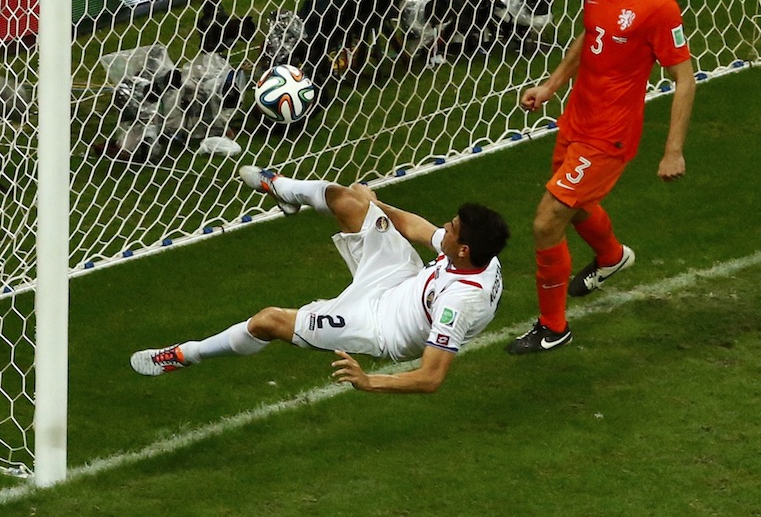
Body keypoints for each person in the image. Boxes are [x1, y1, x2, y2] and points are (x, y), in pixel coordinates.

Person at [131, 166, 509, 393]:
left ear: (464, 250)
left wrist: (369, 381)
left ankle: (183, 355)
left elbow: (430, 377)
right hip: (401, 279)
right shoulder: (474, 254)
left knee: (268, 321)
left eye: (454, 228)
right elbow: (417, 227)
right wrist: (373, 205)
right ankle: (281, 188)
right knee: (346, 200)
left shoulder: (460, 303)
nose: (446, 227)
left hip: (378, 326)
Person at [506, 0, 696, 355]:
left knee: (547, 221)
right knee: (577, 203)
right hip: (576, 118)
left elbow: (684, 78)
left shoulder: (659, 6)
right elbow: (588, 36)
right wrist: (551, 85)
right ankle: (612, 258)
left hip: (609, 134)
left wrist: (673, 150)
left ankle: (553, 327)